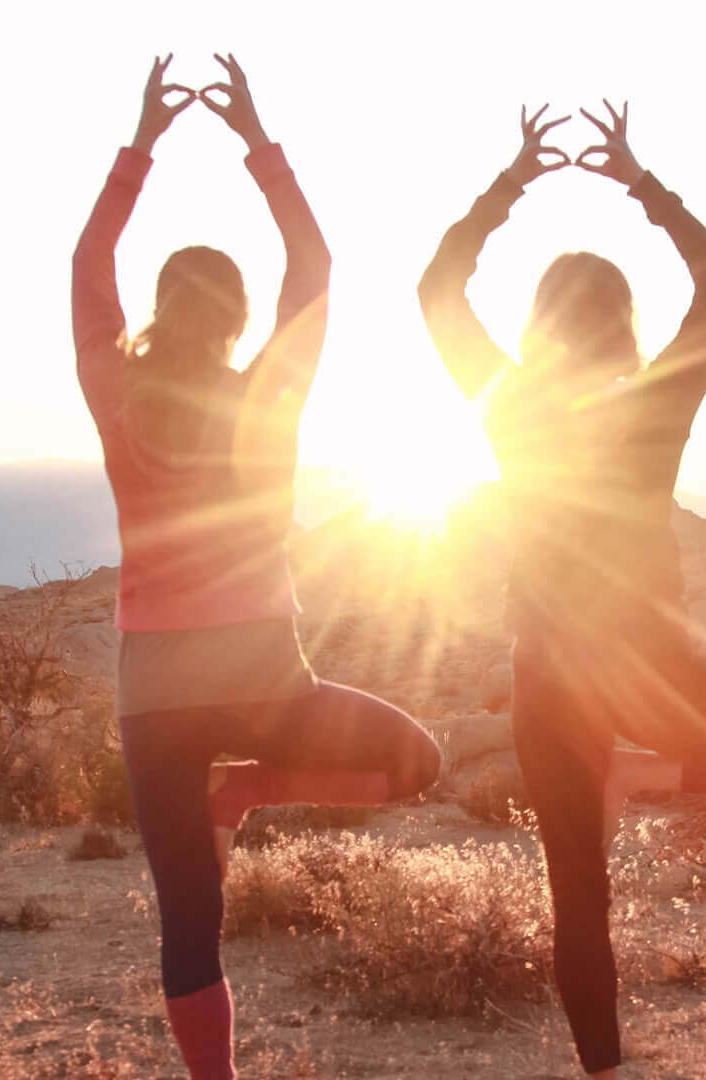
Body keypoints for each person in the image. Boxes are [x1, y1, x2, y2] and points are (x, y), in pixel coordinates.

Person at [418, 102, 706, 1079]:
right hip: (653, 664)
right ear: (623, 326)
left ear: (540, 326)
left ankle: (602, 1069)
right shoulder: (658, 399)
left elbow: (439, 288)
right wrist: (642, 184)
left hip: (551, 677)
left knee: (580, 897)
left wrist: (511, 182)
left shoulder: (510, 403)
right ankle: (651, 777)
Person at [73, 54, 441, 1080]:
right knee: (421, 760)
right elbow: (314, 267)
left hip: (153, 697)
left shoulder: (114, 389)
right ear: (236, 318)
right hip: (269, 683)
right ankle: (252, 789)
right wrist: (259, 144)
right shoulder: (271, 393)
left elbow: (85, 270)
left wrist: (139, 147)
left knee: (190, 919)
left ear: (160, 308)